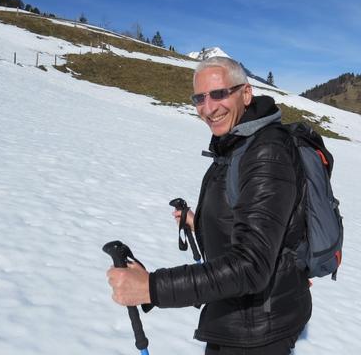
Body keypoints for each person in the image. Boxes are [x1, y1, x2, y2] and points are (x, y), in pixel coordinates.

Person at [107, 56, 311, 354]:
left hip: (257, 334)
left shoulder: (265, 152)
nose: (209, 107)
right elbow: (247, 218)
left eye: (219, 94)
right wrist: (200, 222)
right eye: (199, 98)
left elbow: (251, 266)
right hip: (239, 318)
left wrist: (150, 287)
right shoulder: (238, 143)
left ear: (245, 93)